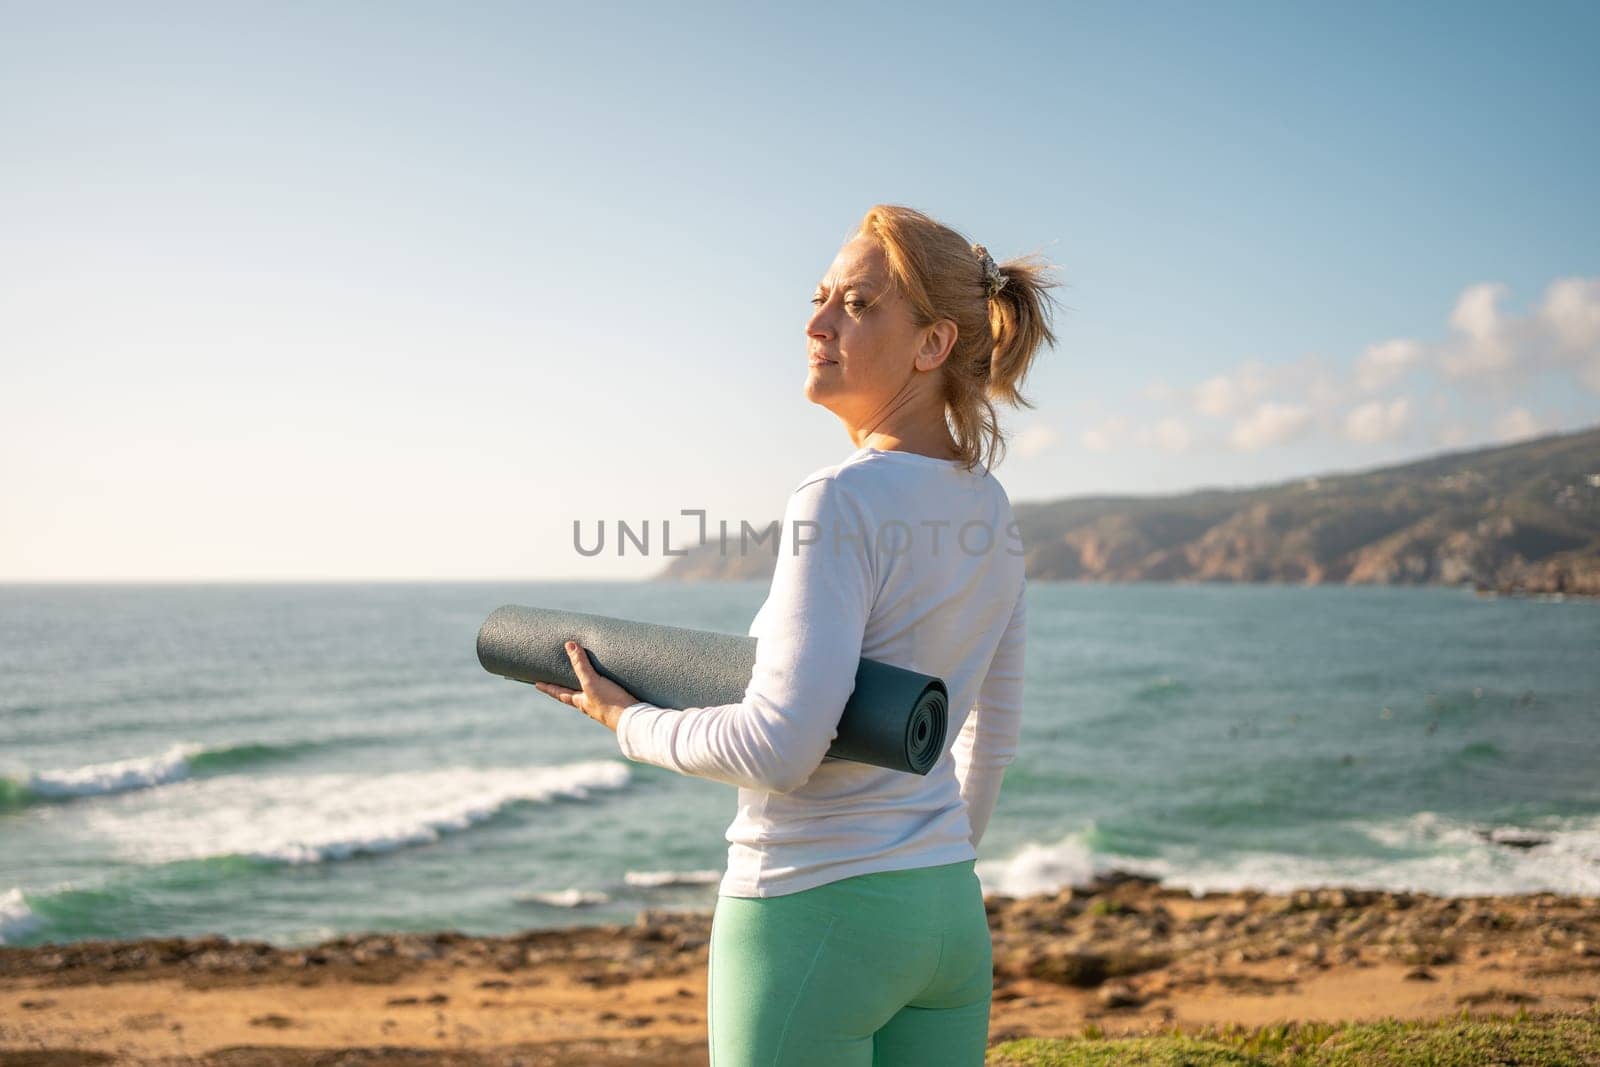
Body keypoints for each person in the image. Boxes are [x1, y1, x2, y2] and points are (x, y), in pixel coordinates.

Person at [533, 203, 1059, 1065]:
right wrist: (922, 860)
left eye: (855, 305)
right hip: (945, 916)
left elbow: (780, 746)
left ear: (932, 345)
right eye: (819, 298)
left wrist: (628, 722)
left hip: (810, 911)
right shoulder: (990, 511)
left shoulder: (839, 500)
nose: (815, 323)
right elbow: (989, 745)